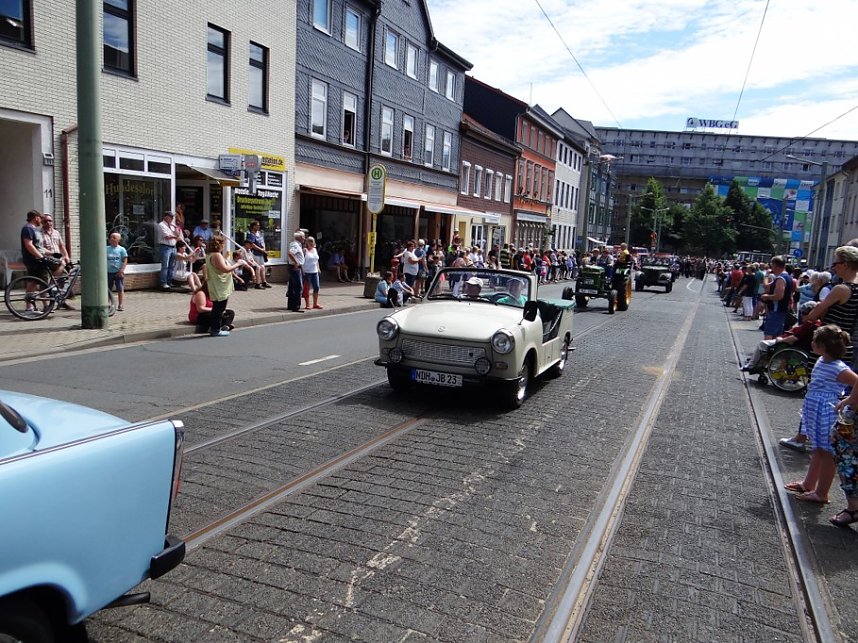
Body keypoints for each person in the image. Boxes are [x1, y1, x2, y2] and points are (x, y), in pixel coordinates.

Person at [784, 325, 858, 505]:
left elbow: (856, 381)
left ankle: (822, 492)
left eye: (814, 340)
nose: (811, 342)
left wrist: (848, 400)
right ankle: (809, 484)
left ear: (823, 345)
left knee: (826, 452)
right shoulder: (822, 360)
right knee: (818, 448)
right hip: (816, 408)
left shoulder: (837, 367)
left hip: (826, 410)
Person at [741, 301, 819, 372]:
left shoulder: (808, 324)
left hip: (787, 344)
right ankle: (757, 363)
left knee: (762, 344)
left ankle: (751, 365)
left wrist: (781, 340)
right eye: (801, 312)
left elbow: (795, 338)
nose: (801, 315)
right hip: (788, 341)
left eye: (804, 313)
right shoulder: (814, 323)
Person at [204, 236, 243, 336]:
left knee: (217, 307)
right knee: (219, 308)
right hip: (219, 284)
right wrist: (238, 264)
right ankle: (215, 330)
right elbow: (225, 269)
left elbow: (217, 266)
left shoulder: (209, 254)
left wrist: (224, 257)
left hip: (215, 283)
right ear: (219, 244)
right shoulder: (216, 255)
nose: (223, 246)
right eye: (223, 244)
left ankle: (214, 328)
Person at [760, 256, 793, 339]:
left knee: (769, 333)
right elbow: (767, 286)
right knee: (777, 334)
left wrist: (767, 297)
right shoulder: (788, 277)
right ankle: (773, 351)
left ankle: (766, 351)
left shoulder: (780, 279)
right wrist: (767, 276)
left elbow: (779, 296)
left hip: (776, 310)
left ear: (775, 265)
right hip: (782, 310)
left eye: (772, 265)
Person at [157, 211, 181, 289]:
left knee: (172, 265)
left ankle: (169, 282)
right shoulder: (161, 225)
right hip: (165, 247)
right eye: (170, 217)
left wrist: (177, 230)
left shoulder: (172, 226)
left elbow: (177, 235)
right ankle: (163, 283)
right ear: (165, 217)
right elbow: (166, 236)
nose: (171, 219)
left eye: (172, 217)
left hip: (173, 247)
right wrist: (175, 237)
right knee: (165, 266)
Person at [244, 220, 271, 288]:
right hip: (255, 253)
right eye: (257, 225)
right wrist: (261, 249)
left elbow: (262, 241)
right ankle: (257, 283)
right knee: (258, 267)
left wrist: (264, 248)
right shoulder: (251, 234)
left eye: (259, 225)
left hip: (261, 253)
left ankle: (264, 281)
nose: (258, 226)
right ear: (253, 226)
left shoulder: (260, 233)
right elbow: (252, 245)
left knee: (263, 267)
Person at [106, 232, 128, 311]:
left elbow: (124, 260)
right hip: (108, 272)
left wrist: (122, 270)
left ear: (119, 239)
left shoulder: (121, 249)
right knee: (108, 289)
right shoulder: (106, 249)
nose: (112, 239)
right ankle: (107, 304)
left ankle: (120, 304)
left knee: (120, 288)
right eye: (111, 237)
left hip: (118, 272)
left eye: (114, 237)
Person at [286, 230, 305, 312]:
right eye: (304, 237)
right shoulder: (295, 245)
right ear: (300, 238)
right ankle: (296, 306)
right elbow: (290, 253)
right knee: (298, 287)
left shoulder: (297, 244)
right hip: (295, 268)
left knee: (292, 286)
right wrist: (296, 263)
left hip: (295, 267)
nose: (304, 238)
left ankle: (290, 305)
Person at [302, 236, 322, 309]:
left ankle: (315, 304)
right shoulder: (304, 250)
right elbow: (301, 261)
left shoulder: (315, 250)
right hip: (307, 272)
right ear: (306, 243)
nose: (310, 243)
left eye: (312, 242)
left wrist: (318, 268)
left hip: (315, 272)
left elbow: (316, 260)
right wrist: (302, 271)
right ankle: (307, 304)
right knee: (307, 288)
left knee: (316, 287)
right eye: (309, 242)